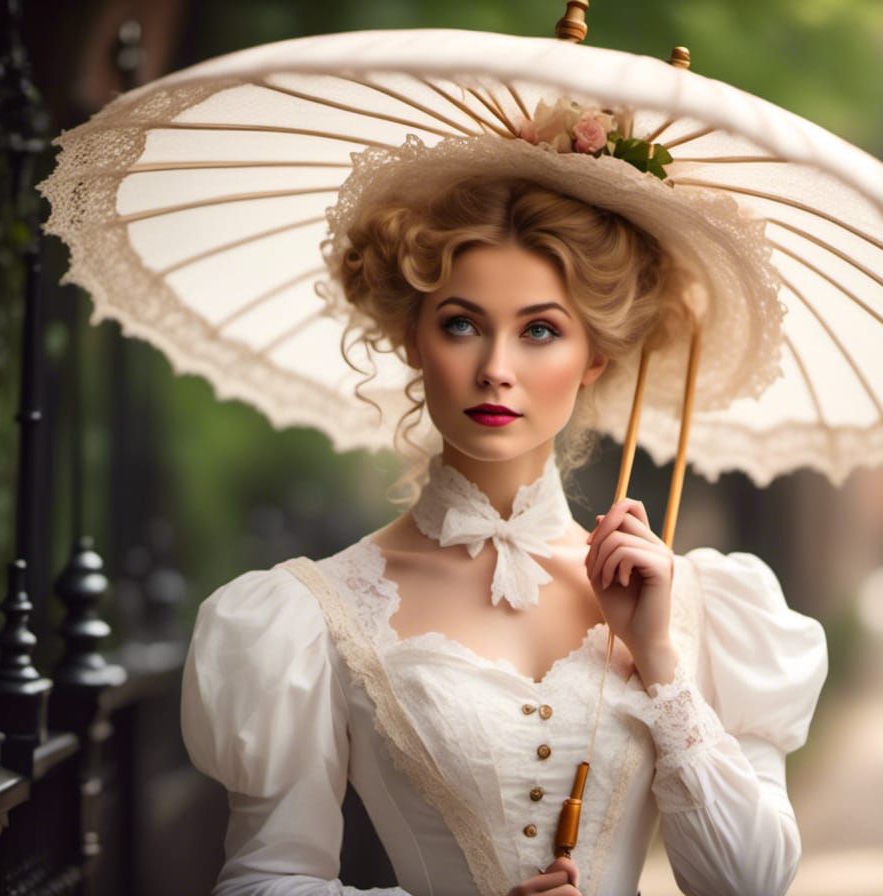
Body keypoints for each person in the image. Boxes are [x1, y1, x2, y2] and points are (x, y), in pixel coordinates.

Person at [180, 170, 829, 895]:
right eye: (461, 324)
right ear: (412, 340)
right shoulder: (309, 613)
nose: (495, 369)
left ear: (595, 359)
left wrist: (659, 659)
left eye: (540, 331)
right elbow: (263, 880)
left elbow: (754, 882)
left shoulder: (697, 600)